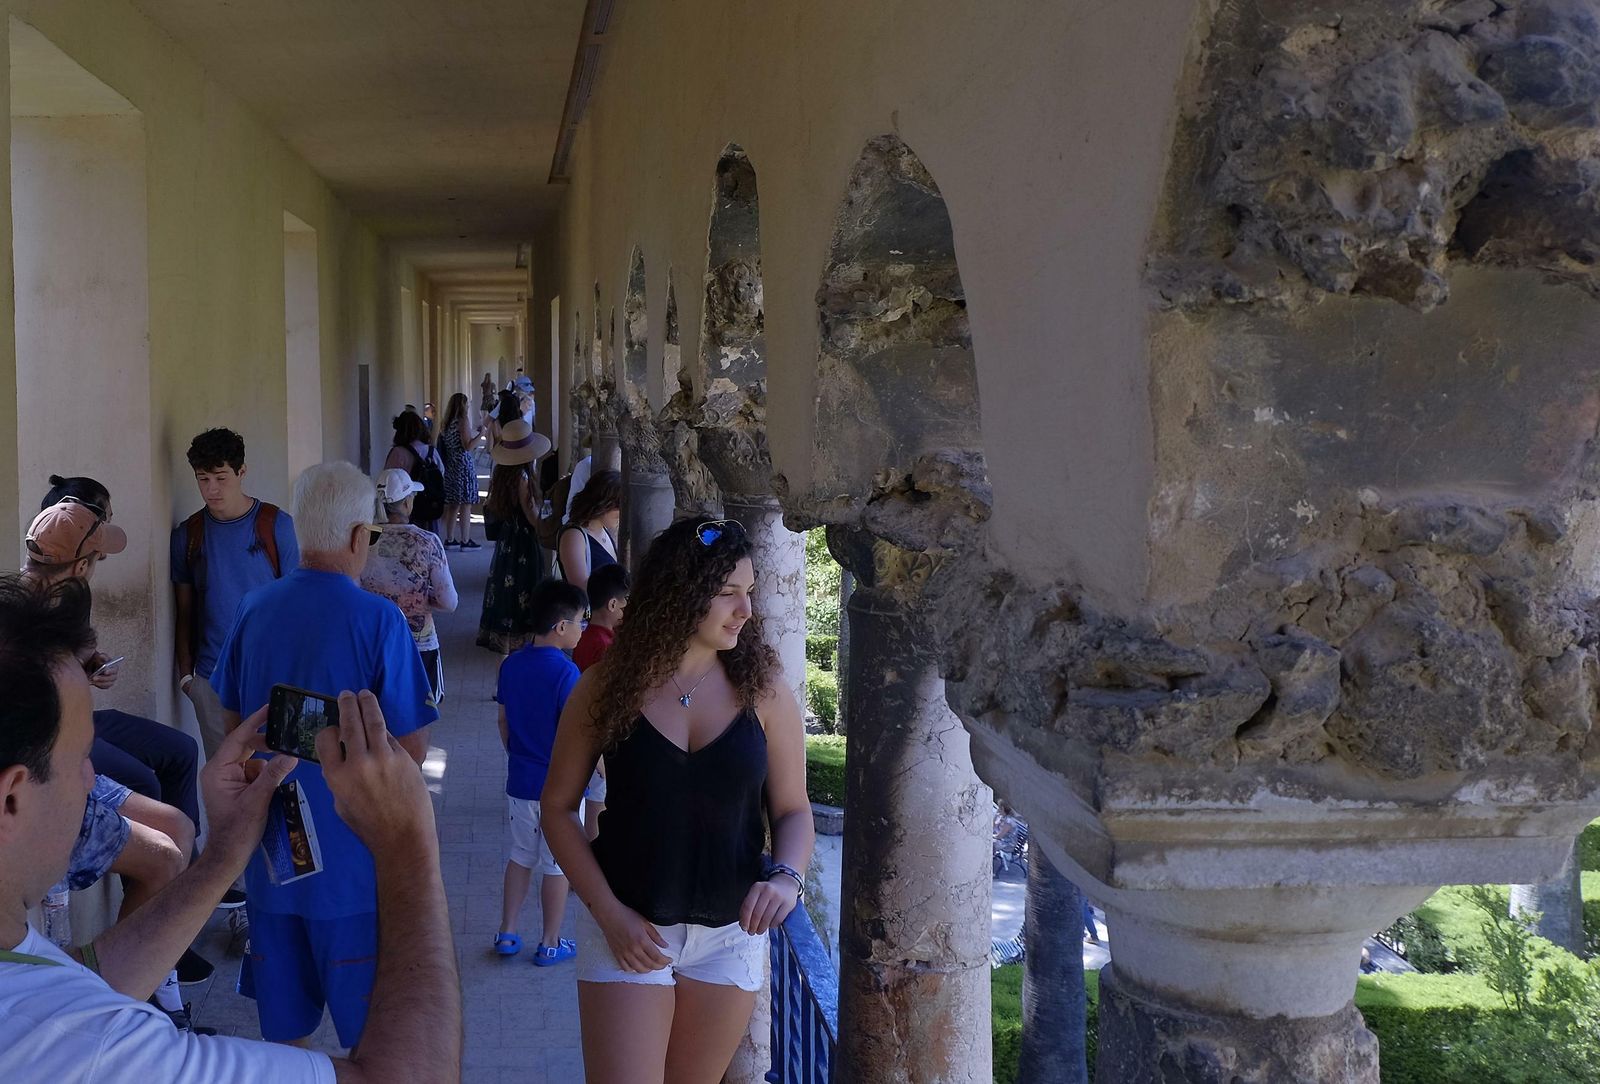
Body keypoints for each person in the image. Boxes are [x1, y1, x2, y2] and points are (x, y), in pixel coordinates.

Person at [0, 572, 462, 1079]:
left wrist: (224, 855)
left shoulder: (24, 972)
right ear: (11, 798)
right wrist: (409, 849)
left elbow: (83, 981)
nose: (93, 779)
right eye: (82, 757)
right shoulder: (97, 1050)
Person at [542, 518, 814, 1083]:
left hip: (729, 939)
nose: (746, 610)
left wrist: (787, 877)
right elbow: (557, 807)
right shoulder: (605, 685)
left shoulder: (765, 692)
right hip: (627, 925)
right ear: (680, 594)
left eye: (750, 593)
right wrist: (608, 915)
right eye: (727, 594)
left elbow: (793, 810)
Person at [211, 461, 439, 1050]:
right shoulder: (380, 619)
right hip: (356, 873)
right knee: (371, 1043)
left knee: (286, 1041)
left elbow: (232, 727)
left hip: (271, 863)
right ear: (360, 537)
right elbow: (410, 752)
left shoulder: (254, 608)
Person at [173, 428, 300, 764]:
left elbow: (294, 605)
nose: (212, 489)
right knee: (226, 782)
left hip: (271, 677)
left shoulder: (276, 525)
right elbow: (183, 610)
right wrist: (188, 678)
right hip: (212, 679)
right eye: (203, 479)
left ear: (241, 472)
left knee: (277, 778)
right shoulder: (189, 534)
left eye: (220, 477)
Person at [494, 580, 588, 964]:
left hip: (520, 782)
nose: (582, 629)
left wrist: (518, 754)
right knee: (557, 864)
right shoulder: (568, 675)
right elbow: (575, 735)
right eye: (580, 621)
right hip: (560, 789)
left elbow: (503, 722)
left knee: (520, 855)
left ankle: (508, 932)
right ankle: (550, 941)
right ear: (561, 627)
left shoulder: (511, 665)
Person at [361, 468, 458, 708]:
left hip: (373, 641)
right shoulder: (427, 541)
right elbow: (449, 602)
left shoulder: (363, 538)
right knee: (420, 718)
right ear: (406, 503)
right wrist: (422, 597)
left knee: (377, 713)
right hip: (419, 644)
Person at [477, 418, 553, 655]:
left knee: (506, 604)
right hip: (523, 546)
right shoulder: (522, 477)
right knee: (521, 605)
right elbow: (531, 516)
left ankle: (503, 681)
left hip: (507, 543)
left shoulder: (501, 474)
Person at [572, 563, 629, 840]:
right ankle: (592, 863)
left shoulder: (585, 638)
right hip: (600, 738)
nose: (627, 611)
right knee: (597, 805)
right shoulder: (605, 647)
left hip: (591, 732)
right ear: (613, 603)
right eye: (625, 604)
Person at [557, 469, 622, 592]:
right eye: (618, 507)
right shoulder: (574, 536)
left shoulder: (604, 530)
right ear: (603, 504)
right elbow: (581, 588)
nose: (622, 514)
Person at [384, 410, 446, 536]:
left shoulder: (397, 453)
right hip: (430, 507)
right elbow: (441, 472)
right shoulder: (431, 451)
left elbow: (388, 479)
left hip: (405, 511)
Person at [437, 392, 485, 549]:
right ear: (463, 405)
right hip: (463, 466)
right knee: (466, 504)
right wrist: (481, 434)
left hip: (451, 465)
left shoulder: (446, 423)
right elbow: (468, 446)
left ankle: (450, 539)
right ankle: (465, 540)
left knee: (453, 504)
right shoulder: (462, 420)